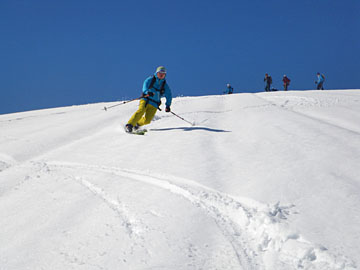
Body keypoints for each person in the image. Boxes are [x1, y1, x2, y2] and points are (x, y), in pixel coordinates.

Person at [125, 66, 172, 133]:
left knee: (147, 120)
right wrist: (147, 92)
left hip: (154, 104)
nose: (161, 75)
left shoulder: (164, 85)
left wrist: (168, 105)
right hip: (146, 100)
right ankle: (129, 125)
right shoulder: (150, 79)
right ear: (156, 73)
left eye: (163, 74)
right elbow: (145, 86)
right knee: (140, 111)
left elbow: (169, 95)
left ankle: (137, 124)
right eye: (159, 73)